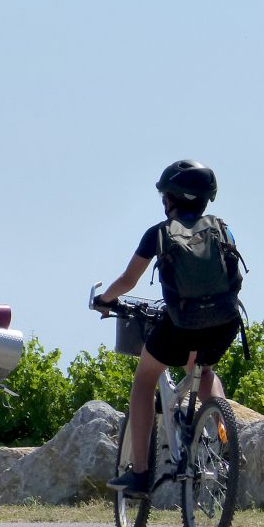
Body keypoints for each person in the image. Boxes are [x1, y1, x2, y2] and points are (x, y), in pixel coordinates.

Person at [92, 159, 243, 499]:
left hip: (181, 323)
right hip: (225, 322)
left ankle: (141, 475)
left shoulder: (158, 233)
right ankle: (224, 432)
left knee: (145, 379)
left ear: (173, 197)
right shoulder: (222, 228)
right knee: (203, 371)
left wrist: (104, 299)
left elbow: (128, 281)